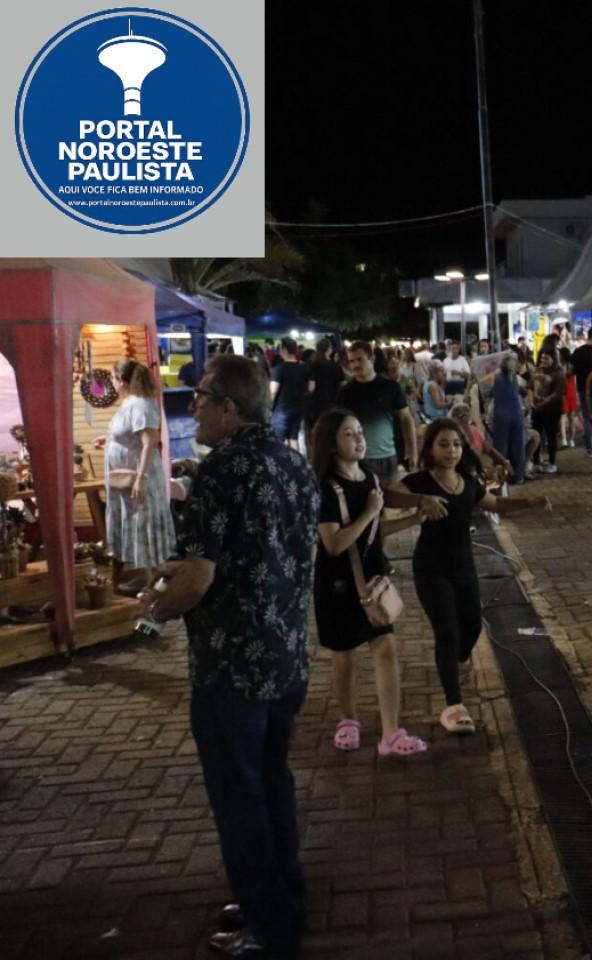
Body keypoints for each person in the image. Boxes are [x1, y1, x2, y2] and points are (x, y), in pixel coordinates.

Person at [140, 355, 318, 959]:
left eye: (202, 396)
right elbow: (261, 554)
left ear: (230, 408)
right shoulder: (294, 463)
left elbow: (199, 577)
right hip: (287, 656)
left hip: (232, 666)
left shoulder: (222, 474)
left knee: (239, 799)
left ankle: (268, 928)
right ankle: (280, 896)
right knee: (273, 782)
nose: (192, 405)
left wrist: (156, 610)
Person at [403, 419, 548, 733]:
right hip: (431, 568)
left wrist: (529, 502)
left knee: (470, 628)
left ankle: (452, 665)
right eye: (443, 444)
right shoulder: (420, 481)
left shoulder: (467, 481)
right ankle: (454, 705)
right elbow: (387, 495)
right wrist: (420, 501)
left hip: (464, 566)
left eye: (456, 444)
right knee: (448, 631)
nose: (451, 451)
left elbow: (494, 502)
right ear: (430, 447)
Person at [309, 410, 429, 758]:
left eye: (360, 431)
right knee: (344, 656)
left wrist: (411, 519)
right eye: (349, 434)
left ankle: (391, 732)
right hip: (337, 584)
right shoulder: (326, 489)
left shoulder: (371, 480)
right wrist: (368, 512)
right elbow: (334, 544)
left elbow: (373, 535)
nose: (359, 439)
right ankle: (348, 719)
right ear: (332, 442)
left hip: (373, 579)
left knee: (386, 646)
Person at [106, 358, 176, 595]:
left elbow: (149, 442)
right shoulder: (130, 403)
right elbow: (132, 436)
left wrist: (142, 477)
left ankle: (157, 578)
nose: (112, 383)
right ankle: (148, 576)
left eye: (113, 378)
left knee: (144, 521)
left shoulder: (140, 405)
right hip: (132, 472)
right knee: (139, 521)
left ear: (121, 381)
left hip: (139, 474)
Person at [338, 341, 416, 482]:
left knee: (391, 500)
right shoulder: (345, 393)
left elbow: (406, 419)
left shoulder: (391, 387)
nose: (355, 365)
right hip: (359, 458)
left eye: (360, 359)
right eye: (351, 361)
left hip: (389, 458)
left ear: (372, 359)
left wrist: (413, 452)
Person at [481, 352, 528, 482]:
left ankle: (503, 477)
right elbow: (524, 392)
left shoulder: (494, 378)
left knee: (501, 447)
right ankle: (518, 475)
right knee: (518, 446)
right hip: (517, 415)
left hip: (501, 416)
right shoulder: (517, 378)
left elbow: (487, 394)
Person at [268, 338, 309, 449]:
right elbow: (311, 388)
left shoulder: (279, 368)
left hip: (281, 410)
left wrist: (268, 407)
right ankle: (296, 465)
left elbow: (272, 392)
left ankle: (280, 466)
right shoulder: (304, 367)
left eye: (280, 348)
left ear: (284, 349)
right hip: (299, 408)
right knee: (293, 438)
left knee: (278, 442)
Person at [530, 350, 566, 474]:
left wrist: (544, 402)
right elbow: (531, 386)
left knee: (551, 435)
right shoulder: (537, 370)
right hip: (537, 408)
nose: (543, 361)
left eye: (546, 358)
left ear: (554, 359)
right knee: (536, 433)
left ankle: (552, 462)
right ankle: (536, 462)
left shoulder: (558, 373)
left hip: (552, 409)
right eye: (542, 359)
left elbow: (559, 392)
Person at [305, 339, 345, 440]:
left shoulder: (314, 366)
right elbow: (342, 386)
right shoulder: (336, 367)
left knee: (318, 431)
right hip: (333, 402)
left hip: (317, 404)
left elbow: (311, 388)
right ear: (329, 350)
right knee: (332, 430)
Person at [572, 327, 592, 458]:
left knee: (587, 417)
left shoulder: (578, 352)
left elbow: (572, 371)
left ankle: (591, 448)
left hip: (582, 388)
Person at [560, 346, 579, 449]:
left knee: (562, 417)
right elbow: (575, 380)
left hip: (563, 392)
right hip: (572, 391)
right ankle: (571, 440)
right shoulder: (572, 366)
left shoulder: (559, 366)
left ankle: (564, 440)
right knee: (572, 417)